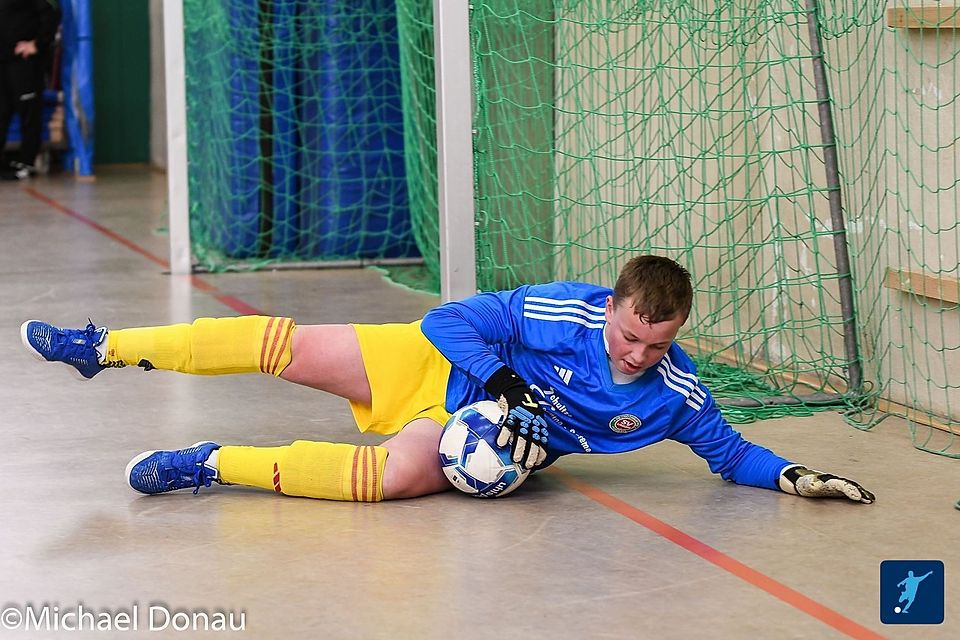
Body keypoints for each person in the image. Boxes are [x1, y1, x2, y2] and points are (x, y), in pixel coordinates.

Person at [20, 255, 875, 504]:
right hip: (436, 364)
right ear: (608, 306)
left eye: (655, 347)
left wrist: (793, 476)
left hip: (476, 433)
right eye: (626, 336)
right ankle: (104, 345)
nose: (635, 356)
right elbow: (445, 322)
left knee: (394, 480)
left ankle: (208, 465)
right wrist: (503, 380)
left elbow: (729, 455)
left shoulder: (672, 396)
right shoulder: (559, 311)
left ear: (676, 337)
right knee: (280, 344)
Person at [0, 0, 61, 180]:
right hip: (2, 62)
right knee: (1, 111)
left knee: (29, 111)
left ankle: (26, 162)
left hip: (23, 62)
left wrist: (37, 43)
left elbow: (51, 14)